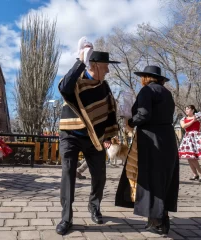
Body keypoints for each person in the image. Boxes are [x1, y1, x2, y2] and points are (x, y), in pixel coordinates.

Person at [56, 44, 120, 235]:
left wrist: (108, 136)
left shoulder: (105, 87)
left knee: (99, 175)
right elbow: (63, 87)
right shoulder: (76, 82)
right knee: (68, 173)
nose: (108, 70)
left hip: (96, 139)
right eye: (106, 66)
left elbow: (109, 113)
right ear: (95, 65)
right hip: (70, 136)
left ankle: (94, 206)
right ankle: (66, 218)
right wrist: (80, 62)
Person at [117, 66, 179, 236]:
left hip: (151, 139)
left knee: (151, 177)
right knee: (164, 178)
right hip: (167, 138)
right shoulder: (166, 93)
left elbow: (144, 114)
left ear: (146, 77)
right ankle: (162, 217)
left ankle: (156, 221)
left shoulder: (147, 90)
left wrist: (131, 122)